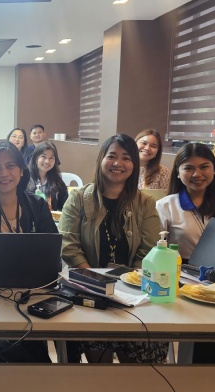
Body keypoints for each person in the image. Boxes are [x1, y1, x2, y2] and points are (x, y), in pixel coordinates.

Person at [59, 134, 166, 363]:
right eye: (112, 156)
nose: (118, 163)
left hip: (133, 295)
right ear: (101, 160)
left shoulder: (145, 204)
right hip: (90, 293)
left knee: (146, 356)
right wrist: (95, 284)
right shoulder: (78, 199)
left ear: (134, 165)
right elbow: (68, 246)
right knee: (100, 364)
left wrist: (130, 287)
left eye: (126, 158)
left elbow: (148, 251)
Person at [155, 142, 215, 364]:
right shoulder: (165, 205)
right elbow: (158, 250)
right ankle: (202, 375)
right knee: (206, 333)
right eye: (188, 168)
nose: (197, 174)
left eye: (204, 167)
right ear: (178, 173)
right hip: (186, 278)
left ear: (214, 170)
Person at [0, 141, 58, 363]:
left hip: (33, 295)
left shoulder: (37, 205)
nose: (4, 173)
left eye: (10, 166)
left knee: (35, 358)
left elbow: (52, 249)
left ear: (22, 170)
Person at [26, 141, 68, 211]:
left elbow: (64, 207)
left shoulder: (57, 181)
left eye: (51, 158)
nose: (47, 161)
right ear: (36, 158)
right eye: (43, 156)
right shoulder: (25, 178)